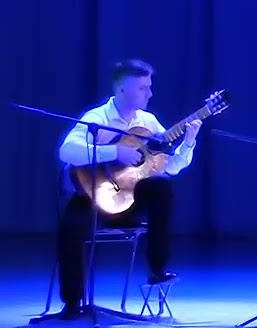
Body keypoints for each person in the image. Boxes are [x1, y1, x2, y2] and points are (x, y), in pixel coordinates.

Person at [52, 59, 201, 320]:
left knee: (161, 187)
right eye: (143, 88)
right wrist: (116, 152)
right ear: (122, 89)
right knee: (71, 227)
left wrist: (188, 142)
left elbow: (171, 167)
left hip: (129, 202)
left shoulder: (148, 122)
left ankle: (157, 269)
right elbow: (67, 151)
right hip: (93, 198)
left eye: (149, 87)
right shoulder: (97, 118)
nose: (149, 93)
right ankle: (73, 303)